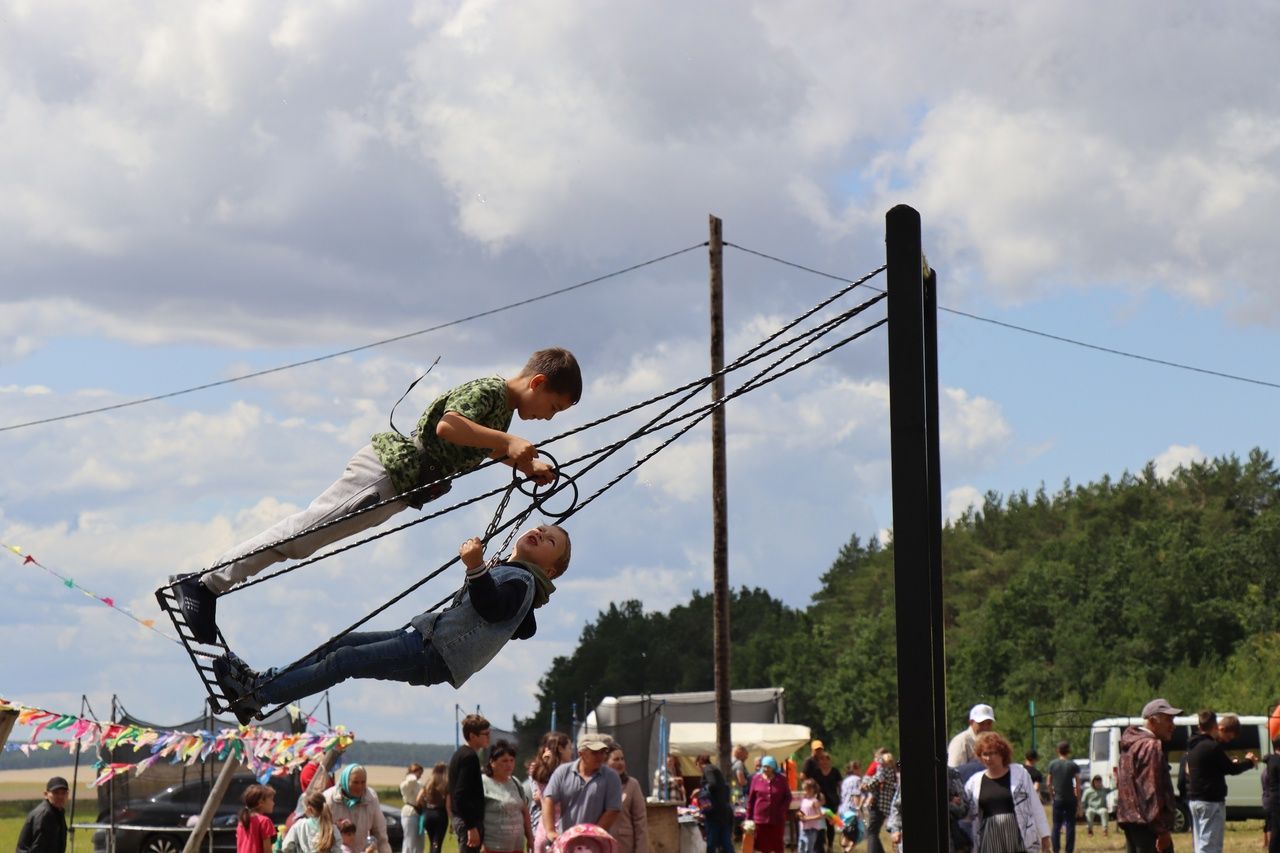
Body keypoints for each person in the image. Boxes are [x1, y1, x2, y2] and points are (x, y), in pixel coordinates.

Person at [171, 347, 582, 644]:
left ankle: (208, 583)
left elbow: (484, 447)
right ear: (538, 382)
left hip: (398, 486)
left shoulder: (503, 413)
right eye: (553, 407)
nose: (549, 417)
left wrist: (523, 464)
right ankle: (204, 584)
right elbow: (449, 427)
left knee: (305, 540)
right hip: (388, 473)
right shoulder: (491, 392)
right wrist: (509, 441)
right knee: (301, 535)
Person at [213, 524, 570, 723]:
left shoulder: (521, 584)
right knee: (341, 646)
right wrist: (488, 567)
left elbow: (493, 608)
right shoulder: (517, 579)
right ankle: (262, 683)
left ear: (549, 570)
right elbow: (517, 623)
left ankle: (258, 693)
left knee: (344, 660)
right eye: (540, 528)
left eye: (549, 540)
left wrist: (477, 568)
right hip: (425, 642)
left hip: (433, 653)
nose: (539, 532)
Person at [1178, 710, 1257, 853]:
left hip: (1194, 800)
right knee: (1210, 846)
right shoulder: (1211, 746)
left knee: (1200, 844)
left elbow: (1207, 769)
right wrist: (1249, 763)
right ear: (1215, 726)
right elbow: (1232, 769)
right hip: (1210, 802)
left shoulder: (1193, 744)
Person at [963, 732, 1050, 853]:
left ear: (1002, 753)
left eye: (993, 753)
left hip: (1018, 837)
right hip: (989, 839)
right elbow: (965, 812)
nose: (988, 758)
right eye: (985, 754)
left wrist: (1045, 836)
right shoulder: (974, 782)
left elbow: (1035, 805)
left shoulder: (1020, 774)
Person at [1116, 698, 1182, 852]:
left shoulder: (1131, 746)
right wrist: (1162, 830)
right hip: (1149, 827)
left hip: (1132, 823)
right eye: (1168, 719)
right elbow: (1151, 790)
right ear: (1153, 720)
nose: (1173, 725)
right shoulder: (1151, 746)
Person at [542, 732, 622, 840]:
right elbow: (548, 800)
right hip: (566, 841)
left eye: (603, 752)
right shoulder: (563, 772)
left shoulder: (611, 777)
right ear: (581, 753)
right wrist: (550, 831)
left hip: (596, 844)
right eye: (595, 752)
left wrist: (592, 835)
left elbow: (613, 810)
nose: (600, 756)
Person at [482, 740, 535, 853]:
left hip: (516, 847)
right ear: (492, 762)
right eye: (504, 761)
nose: (509, 764)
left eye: (512, 760)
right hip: (493, 847)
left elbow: (525, 813)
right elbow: (475, 815)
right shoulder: (483, 782)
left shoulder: (515, 782)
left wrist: (530, 838)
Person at [326, 765, 392, 853]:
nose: (360, 787)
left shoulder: (370, 798)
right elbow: (322, 834)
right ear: (345, 781)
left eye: (363, 782)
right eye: (355, 782)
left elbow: (380, 833)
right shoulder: (329, 799)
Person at [450, 714, 492, 853]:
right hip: (467, 821)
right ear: (472, 736)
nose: (489, 736)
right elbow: (460, 795)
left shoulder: (461, 753)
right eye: (485, 734)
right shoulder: (469, 757)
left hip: (463, 819)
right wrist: (471, 826)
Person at [529, 732, 574, 853]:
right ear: (560, 748)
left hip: (544, 830)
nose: (572, 751)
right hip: (557, 830)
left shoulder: (539, 768)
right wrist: (548, 764)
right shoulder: (568, 771)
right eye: (569, 748)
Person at [606, 744, 649, 853]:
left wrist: (641, 850)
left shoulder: (632, 784)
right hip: (601, 845)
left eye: (622, 759)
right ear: (605, 762)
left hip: (624, 846)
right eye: (616, 759)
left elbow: (640, 821)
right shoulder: (597, 784)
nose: (620, 763)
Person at [802, 740, 841, 853]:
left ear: (830, 761)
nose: (824, 762)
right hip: (820, 801)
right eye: (821, 760)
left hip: (833, 801)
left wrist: (842, 798)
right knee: (820, 824)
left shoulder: (835, 771)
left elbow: (840, 785)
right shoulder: (816, 772)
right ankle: (820, 846)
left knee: (831, 824)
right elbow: (809, 781)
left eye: (826, 759)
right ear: (819, 761)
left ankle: (830, 846)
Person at [745, 756, 791, 853]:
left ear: (773, 767)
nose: (766, 769)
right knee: (763, 847)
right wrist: (748, 819)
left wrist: (782, 810)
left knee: (778, 845)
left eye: (768, 767)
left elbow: (788, 797)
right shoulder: (756, 779)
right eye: (764, 767)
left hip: (777, 819)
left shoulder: (781, 779)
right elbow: (751, 800)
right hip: (760, 820)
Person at [16, 776, 69, 853]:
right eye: (56, 793)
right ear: (46, 794)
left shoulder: (58, 811)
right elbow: (39, 848)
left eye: (63, 793)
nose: (60, 796)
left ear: (67, 794)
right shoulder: (45, 814)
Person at [1045, 740, 1080, 853]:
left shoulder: (1052, 764)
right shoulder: (1073, 765)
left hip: (1058, 799)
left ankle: (1056, 849)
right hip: (1070, 799)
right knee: (1070, 825)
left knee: (1056, 825)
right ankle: (1069, 850)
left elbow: (1048, 782)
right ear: (1068, 751)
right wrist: (1078, 799)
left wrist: (1051, 795)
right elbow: (1078, 783)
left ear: (1057, 751)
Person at [695, 754, 733, 853]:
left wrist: (701, 791)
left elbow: (712, 784)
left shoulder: (708, 769)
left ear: (699, 763)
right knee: (726, 841)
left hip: (714, 813)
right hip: (723, 811)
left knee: (711, 842)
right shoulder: (716, 770)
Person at [861, 753, 897, 853]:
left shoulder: (883, 770)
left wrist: (865, 786)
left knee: (871, 832)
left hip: (877, 805)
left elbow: (876, 780)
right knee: (874, 831)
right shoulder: (891, 772)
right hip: (885, 806)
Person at [415, 763, 449, 853]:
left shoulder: (428, 783)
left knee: (432, 841)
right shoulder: (446, 784)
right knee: (437, 842)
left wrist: (424, 807)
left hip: (428, 814)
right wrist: (452, 819)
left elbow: (418, 799)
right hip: (440, 815)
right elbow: (448, 805)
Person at [237, 784, 278, 853]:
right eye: (271, 800)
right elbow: (267, 851)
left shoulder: (242, 821)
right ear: (261, 802)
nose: (273, 803)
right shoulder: (265, 821)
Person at [400, 763, 425, 853]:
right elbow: (411, 781)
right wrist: (412, 775)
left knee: (420, 842)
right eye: (419, 773)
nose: (420, 776)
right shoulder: (405, 784)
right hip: (409, 814)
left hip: (419, 813)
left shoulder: (420, 784)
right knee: (409, 841)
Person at [838, 761, 863, 852]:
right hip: (852, 809)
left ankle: (844, 850)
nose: (861, 771)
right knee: (856, 834)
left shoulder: (846, 780)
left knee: (846, 833)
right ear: (856, 769)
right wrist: (858, 809)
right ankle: (847, 851)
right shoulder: (857, 779)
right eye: (860, 768)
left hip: (843, 809)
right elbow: (855, 794)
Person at [1263, 733, 1280, 853]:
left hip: (1274, 800)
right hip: (1278, 800)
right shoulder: (1276, 761)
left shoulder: (1272, 760)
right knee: (1277, 831)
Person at [797, 779, 825, 853]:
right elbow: (801, 811)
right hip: (802, 828)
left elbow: (820, 816)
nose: (806, 791)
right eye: (805, 789)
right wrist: (800, 814)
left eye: (808, 789)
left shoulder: (814, 801)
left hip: (811, 829)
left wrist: (807, 818)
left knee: (808, 849)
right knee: (801, 848)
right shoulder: (803, 800)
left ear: (813, 789)